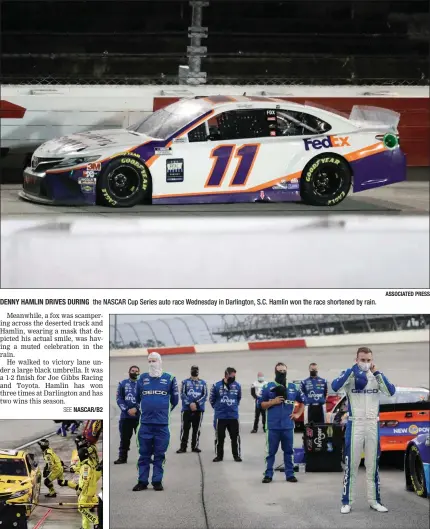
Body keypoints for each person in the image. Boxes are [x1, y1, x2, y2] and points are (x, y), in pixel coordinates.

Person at [331, 346, 396, 514]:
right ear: (356, 360)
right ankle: (347, 502)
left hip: (373, 425)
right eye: (362, 360)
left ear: (372, 360)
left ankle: (374, 501)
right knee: (352, 465)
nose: (365, 363)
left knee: (372, 466)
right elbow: (335, 386)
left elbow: (391, 392)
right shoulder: (350, 375)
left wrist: (378, 373)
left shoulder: (376, 377)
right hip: (355, 425)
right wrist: (351, 372)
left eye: (368, 360)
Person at [133, 352, 179, 492]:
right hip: (146, 425)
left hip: (162, 425)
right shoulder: (142, 378)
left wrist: (163, 411)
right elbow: (136, 398)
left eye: (155, 360)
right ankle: (142, 481)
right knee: (144, 455)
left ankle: (157, 481)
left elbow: (175, 400)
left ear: (160, 362)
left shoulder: (170, 378)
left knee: (160, 454)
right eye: (150, 361)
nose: (152, 363)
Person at [258, 362, 304, 483]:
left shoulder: (293, 387)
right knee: (270, 452)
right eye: (279, 371)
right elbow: (261, 405)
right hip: (272, 426)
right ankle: (268, 474)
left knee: (289, 452)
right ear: (275, 372)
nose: (282, 373)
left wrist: (297, 414)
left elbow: (302, 402)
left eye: (284, 371)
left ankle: (290, 474)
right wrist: (273, 402)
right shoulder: (268, 387)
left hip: (288, 426)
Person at [209, 367, 242, 462]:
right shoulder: (216, 385)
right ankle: (219, 456)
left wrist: (233, 406)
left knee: (235, 437)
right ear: (227, 375)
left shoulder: (237, 385)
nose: (234, 377)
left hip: (233, 416)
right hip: (220, 416)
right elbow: (212, 399)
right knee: (219, 437)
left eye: (235, 375)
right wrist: (218, 407)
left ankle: (236, 455)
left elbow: (238, 398)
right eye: (232, 375)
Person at [177, 365, 208, 453]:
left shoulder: (203, 383)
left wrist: (196, 404)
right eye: (193, 370)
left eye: (196, 370)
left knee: (197, 429)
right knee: (185, 428)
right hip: (187, 409)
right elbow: (182, 394)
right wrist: (190, 403)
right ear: (190, 371)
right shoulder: (185, 382)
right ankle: (183, 447)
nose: (194, 371)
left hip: (198, 409)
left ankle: (195, 446)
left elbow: (205, 395)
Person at [114, 365, 140, 464]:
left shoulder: (142, 385)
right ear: (129, 372)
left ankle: (145, 458)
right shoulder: (123, 384)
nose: (134, 372)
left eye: (136, 371)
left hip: (139, 417)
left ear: (139, 373)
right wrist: (126, 410)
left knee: (142, 439)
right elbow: (119, 398)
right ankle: (122, 458)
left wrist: (136, 409)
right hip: (126, 417)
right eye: (132, 370)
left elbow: (145, 399)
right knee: (124, 439)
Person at [77, 446, 100, 529]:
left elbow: (85, 480)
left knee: (81, 508)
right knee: (85, 508)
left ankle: (96, 521)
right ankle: (85, 526)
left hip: (86, 491)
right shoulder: (89, 463)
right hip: (90, 490)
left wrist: (80, 489)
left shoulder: (85, 467)